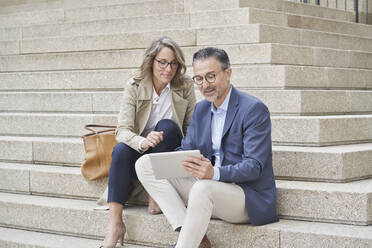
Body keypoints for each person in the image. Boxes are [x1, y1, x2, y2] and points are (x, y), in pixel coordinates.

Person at [135, 47, 279, 248]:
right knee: (144, 164)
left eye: (211, 77)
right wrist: (172, 162)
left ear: (228, 73)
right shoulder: (201, 109)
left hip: (245, 197)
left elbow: (254, 166)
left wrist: (214, 173)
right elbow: (186, 149)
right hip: (209, 188)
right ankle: (191, 233)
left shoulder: (253, 109)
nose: (205, 85)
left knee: (203, 187)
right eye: (199, 79)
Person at [100, 36, 196, 248]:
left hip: (168, 151)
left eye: (173, 63)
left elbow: (190, 128)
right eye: (162, 62)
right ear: (151, 61)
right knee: (120, 150)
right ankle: (115, 224)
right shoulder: (135, 85)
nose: (168, 68)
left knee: (168, 126)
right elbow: (122, 130)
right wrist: (142, 142)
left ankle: (156, 190)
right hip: (140, 151)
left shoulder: (185, 86)